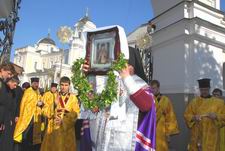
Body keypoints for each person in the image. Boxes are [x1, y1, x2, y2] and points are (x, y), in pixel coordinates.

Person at [82, 46, 156, 151]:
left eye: (121, 63)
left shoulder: (138, 83)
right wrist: (87, 76)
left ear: (131, 66)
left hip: (123, 144)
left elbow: (147, 105)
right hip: (101, 142)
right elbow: (93, 108)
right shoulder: (109, 83)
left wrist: (126, 77)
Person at [184, 78, 225, 151]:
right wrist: (194, 117)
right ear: (199, 90)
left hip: (212, 135)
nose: (204, 92)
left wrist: (216, 116)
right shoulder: (194, 102)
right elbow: (187, 115)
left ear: (209, 89)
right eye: (202, 90)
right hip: (197, 134)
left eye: (206, 89)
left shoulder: (219, 103)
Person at [41, 77, 80, 151]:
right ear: (59, 85)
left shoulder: (73, 98)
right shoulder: (53, 96)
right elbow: (44, 111)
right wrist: (54, 105)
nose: (63, 87)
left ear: (69, 86)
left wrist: (63, 119)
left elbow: (75, 114)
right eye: (62, 85)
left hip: (66, 130)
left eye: (66, 85)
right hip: (53, 129)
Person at [14, 77, 43, 151]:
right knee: (26, 133)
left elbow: (40, 100)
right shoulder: (28, 92)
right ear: (32, 83)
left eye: (37, 83)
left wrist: (41, 103)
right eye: (35, 83)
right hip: (27, 116)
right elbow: (24, 104)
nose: (36, 85)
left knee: (33, 134)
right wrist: (36, 103)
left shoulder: (38, 92)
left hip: (36, 117)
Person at [150, 80, 179, 151]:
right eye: (151, 88)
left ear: (158, 88)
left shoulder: (166, 100)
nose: (153, 90)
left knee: (161, 147)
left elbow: (170, 117)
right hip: (150, 129)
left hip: (162, 130)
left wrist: (168, 132)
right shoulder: (148, 99)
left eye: (154, 88)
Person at [0, 75, 19, 151]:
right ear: (10, 82)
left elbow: (13, 106)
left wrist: (13, 117)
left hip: (8, 120)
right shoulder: (3, 89)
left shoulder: (12, 91)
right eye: (14, 85)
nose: (15, 87)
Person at [0, 63, 15, 133]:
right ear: (2, 70)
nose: (9, 76)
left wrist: (2, 121)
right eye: (8, 73)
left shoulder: (3, 84)